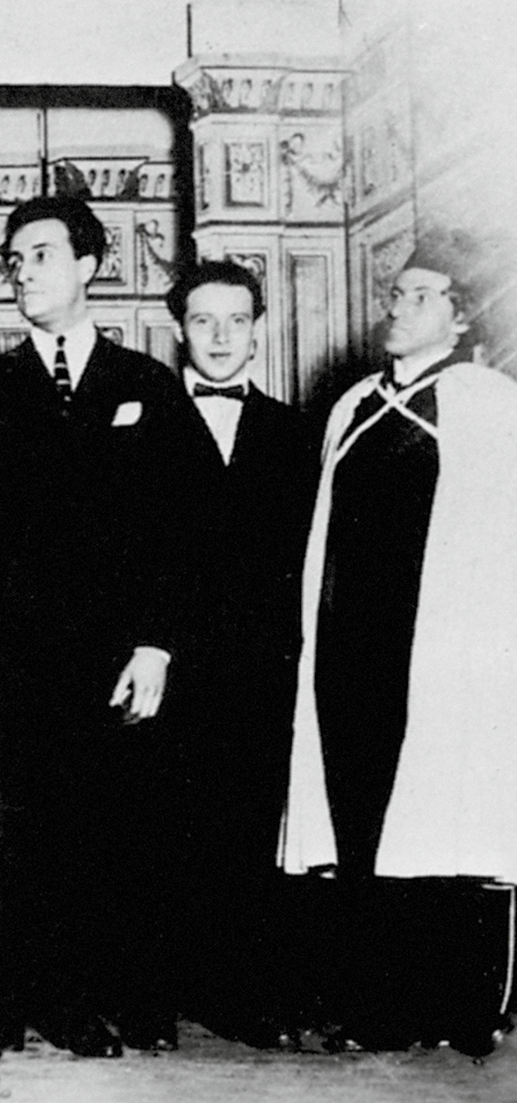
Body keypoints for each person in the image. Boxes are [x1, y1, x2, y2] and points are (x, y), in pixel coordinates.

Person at [0, 194, 198, 1058]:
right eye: (14, 258)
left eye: (41, 254)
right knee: (3, 843)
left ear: (89, 264)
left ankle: (75, 1003)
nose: (24, 271)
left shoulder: (147, 387)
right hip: (6, 659)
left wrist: (156, 642)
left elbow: (179, 531)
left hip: (109, 659)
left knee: (92, 837)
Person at [281, 232, 517, 1055]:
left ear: (459, 315)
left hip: (442, 652)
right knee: (360, 829)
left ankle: (457, 1007)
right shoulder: (351, 406)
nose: (398, 305)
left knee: (442, 826)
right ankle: (371, 1002)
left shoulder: (488, 403)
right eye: (398, 291)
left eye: (421, 295)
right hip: (351, 652)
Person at [158, 260, 314, 1048]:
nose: (220, 337)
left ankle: (238, 992)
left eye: (235, 321)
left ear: (258, 329)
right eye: (202, 321)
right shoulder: (138, 417)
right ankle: (149, 993)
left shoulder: (297, 433)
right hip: (155, 667)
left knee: (247, 831)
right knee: (154, 829)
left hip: (259, 671)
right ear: (178, 328)